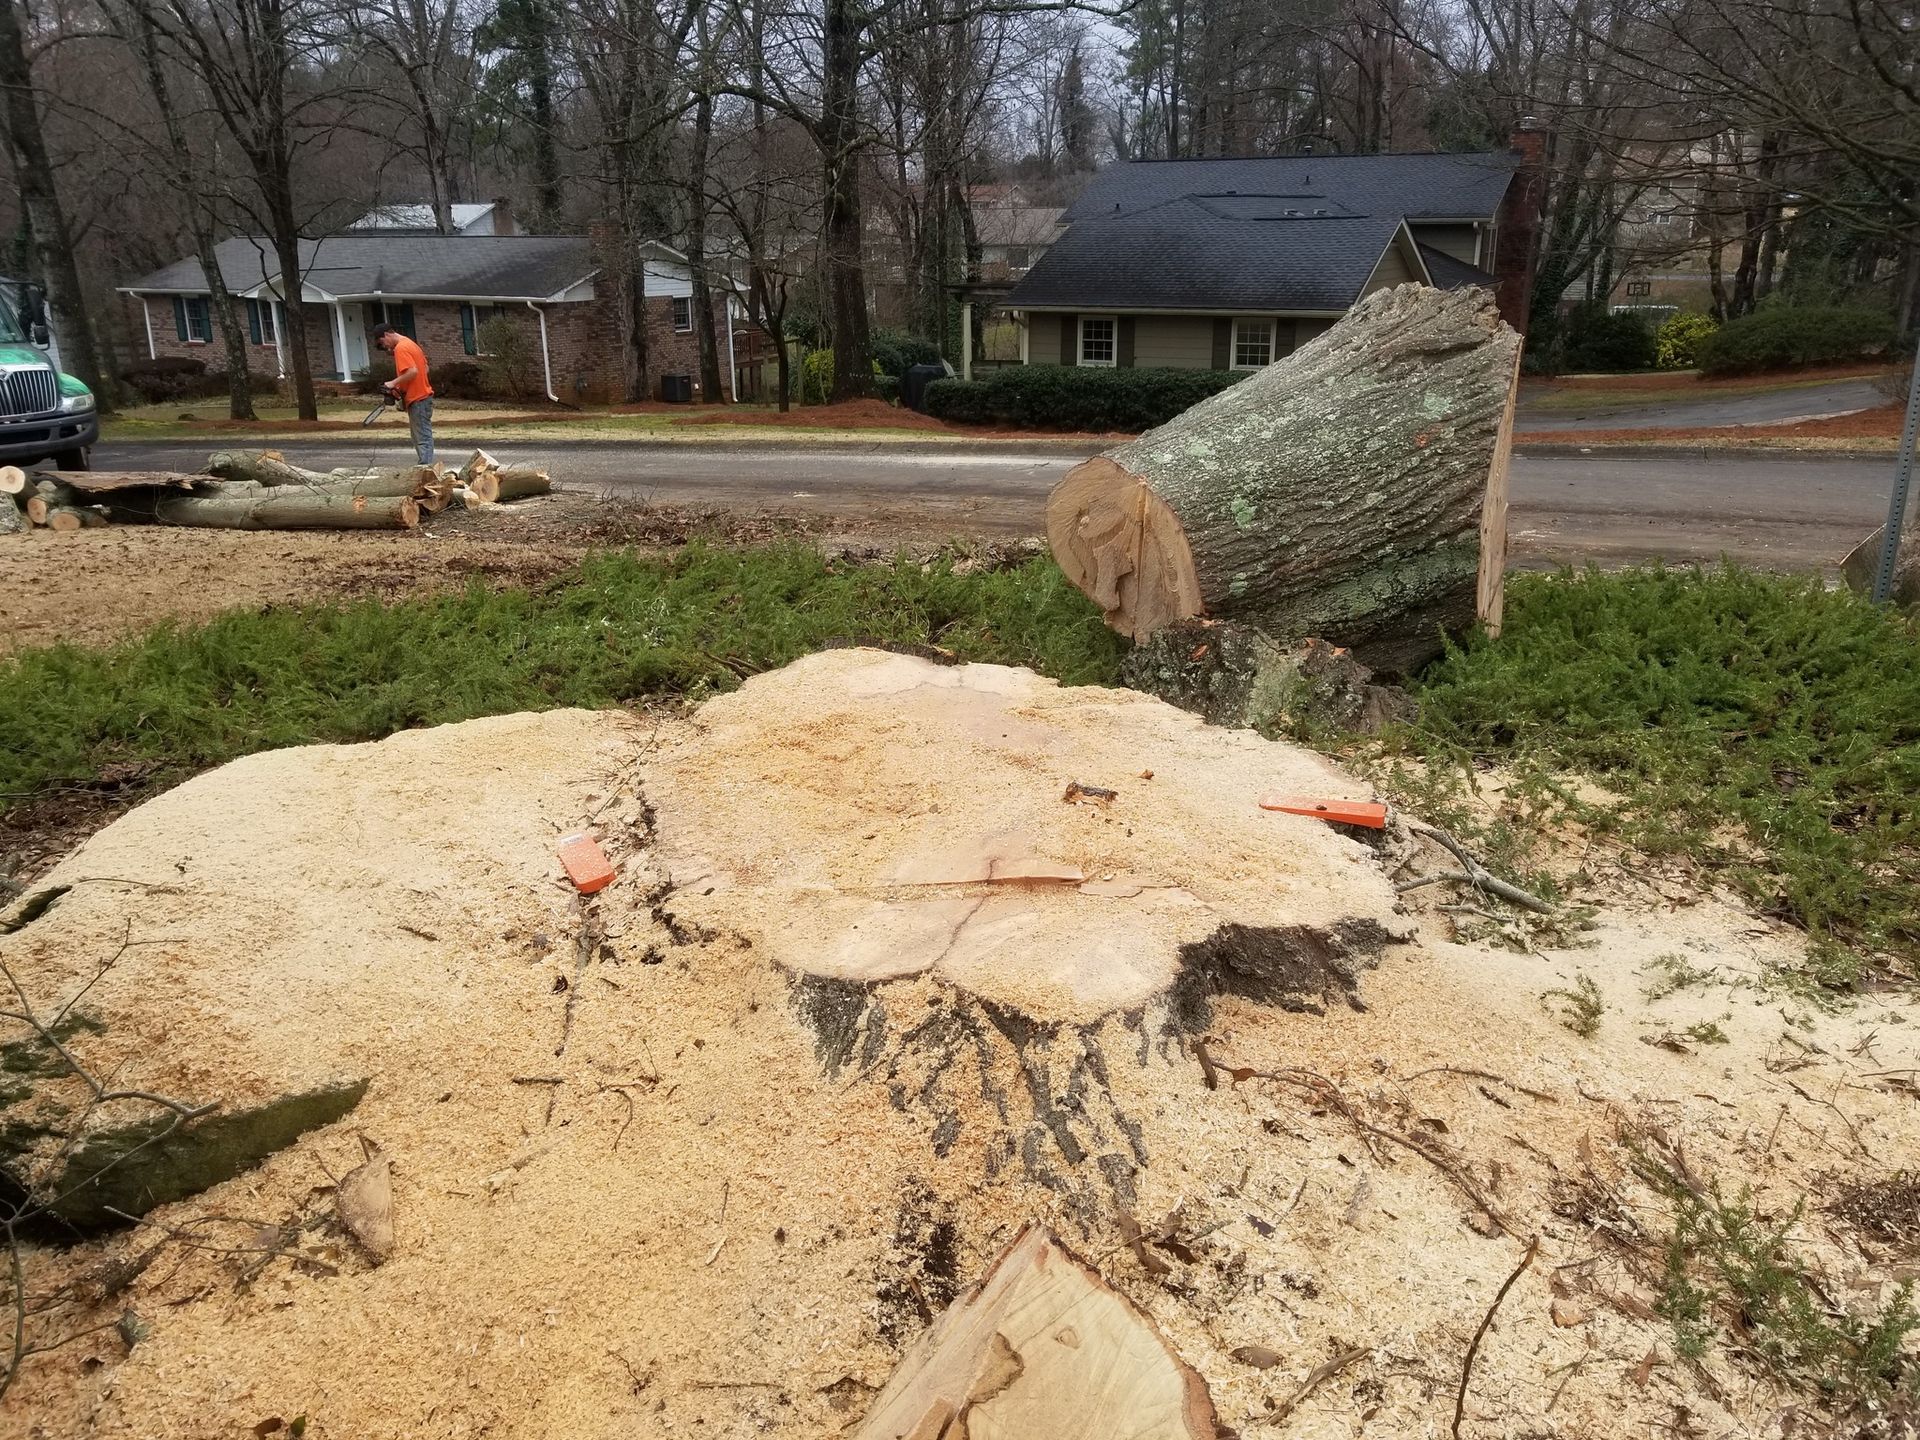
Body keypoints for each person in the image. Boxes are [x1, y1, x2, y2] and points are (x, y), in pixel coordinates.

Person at [374, 323, 434, 464]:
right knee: (419, 436)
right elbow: (425, 368)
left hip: (418, 399)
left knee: (422, 438)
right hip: (421, 397)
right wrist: (402, 388)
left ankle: (425, 469)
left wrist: (393, 383)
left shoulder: (401, 348)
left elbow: (412, 371)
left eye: (383, 342)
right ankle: (425, 468)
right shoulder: (410, 344)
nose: (386, 347)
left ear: (387, 334)